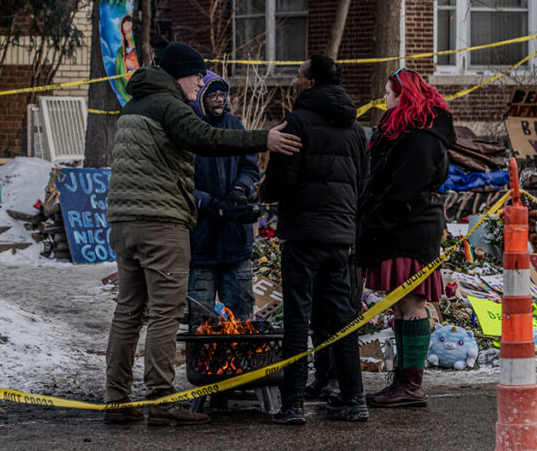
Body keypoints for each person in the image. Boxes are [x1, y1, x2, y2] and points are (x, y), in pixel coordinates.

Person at [104, 42, 301, 426]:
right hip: (161, 223)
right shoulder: (168, 105)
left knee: (129, 310)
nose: (201, 83)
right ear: (181, 74)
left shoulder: (135, 105)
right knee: (166, 312)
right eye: (197, 75)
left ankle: (117, 397)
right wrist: (265, 140)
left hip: (125, 222)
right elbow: (207, 140)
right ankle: (161, 399)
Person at [260, 54, 368, 425]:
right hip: (340, 236)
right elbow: (362, 181)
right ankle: (353, 398)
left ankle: (291, 405)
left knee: (297, 318)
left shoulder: (297, 123)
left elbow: (281, 180)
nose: (293, 79)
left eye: (298, 73)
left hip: (302, 235)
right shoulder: (355, 129)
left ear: (311, 82)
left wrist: (263, 192)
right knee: (342, 319)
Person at [356, 67, 455, 408]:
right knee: (401, 305)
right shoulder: (405, 132)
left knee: (411, 303)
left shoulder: (422, 138)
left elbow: (403, 189)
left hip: (409, 230)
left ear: (404, 95)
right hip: (399, 228)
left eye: (389, 92)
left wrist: (377, 221)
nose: (384, 98)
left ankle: (411, 384)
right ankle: (403, 380)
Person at [186, 73, 259, 321]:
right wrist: (210, 204)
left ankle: (240, 359)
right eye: (212, 95)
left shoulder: (235, 126)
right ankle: (204, 360)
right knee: (201, 319)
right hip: (200, 241)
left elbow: (250, 167)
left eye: (222, 95)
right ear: (200, 98)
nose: (219, 100)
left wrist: (240, 190)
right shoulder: (189, 130)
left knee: (242, 316)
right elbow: (179, 181)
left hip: (236, 242)